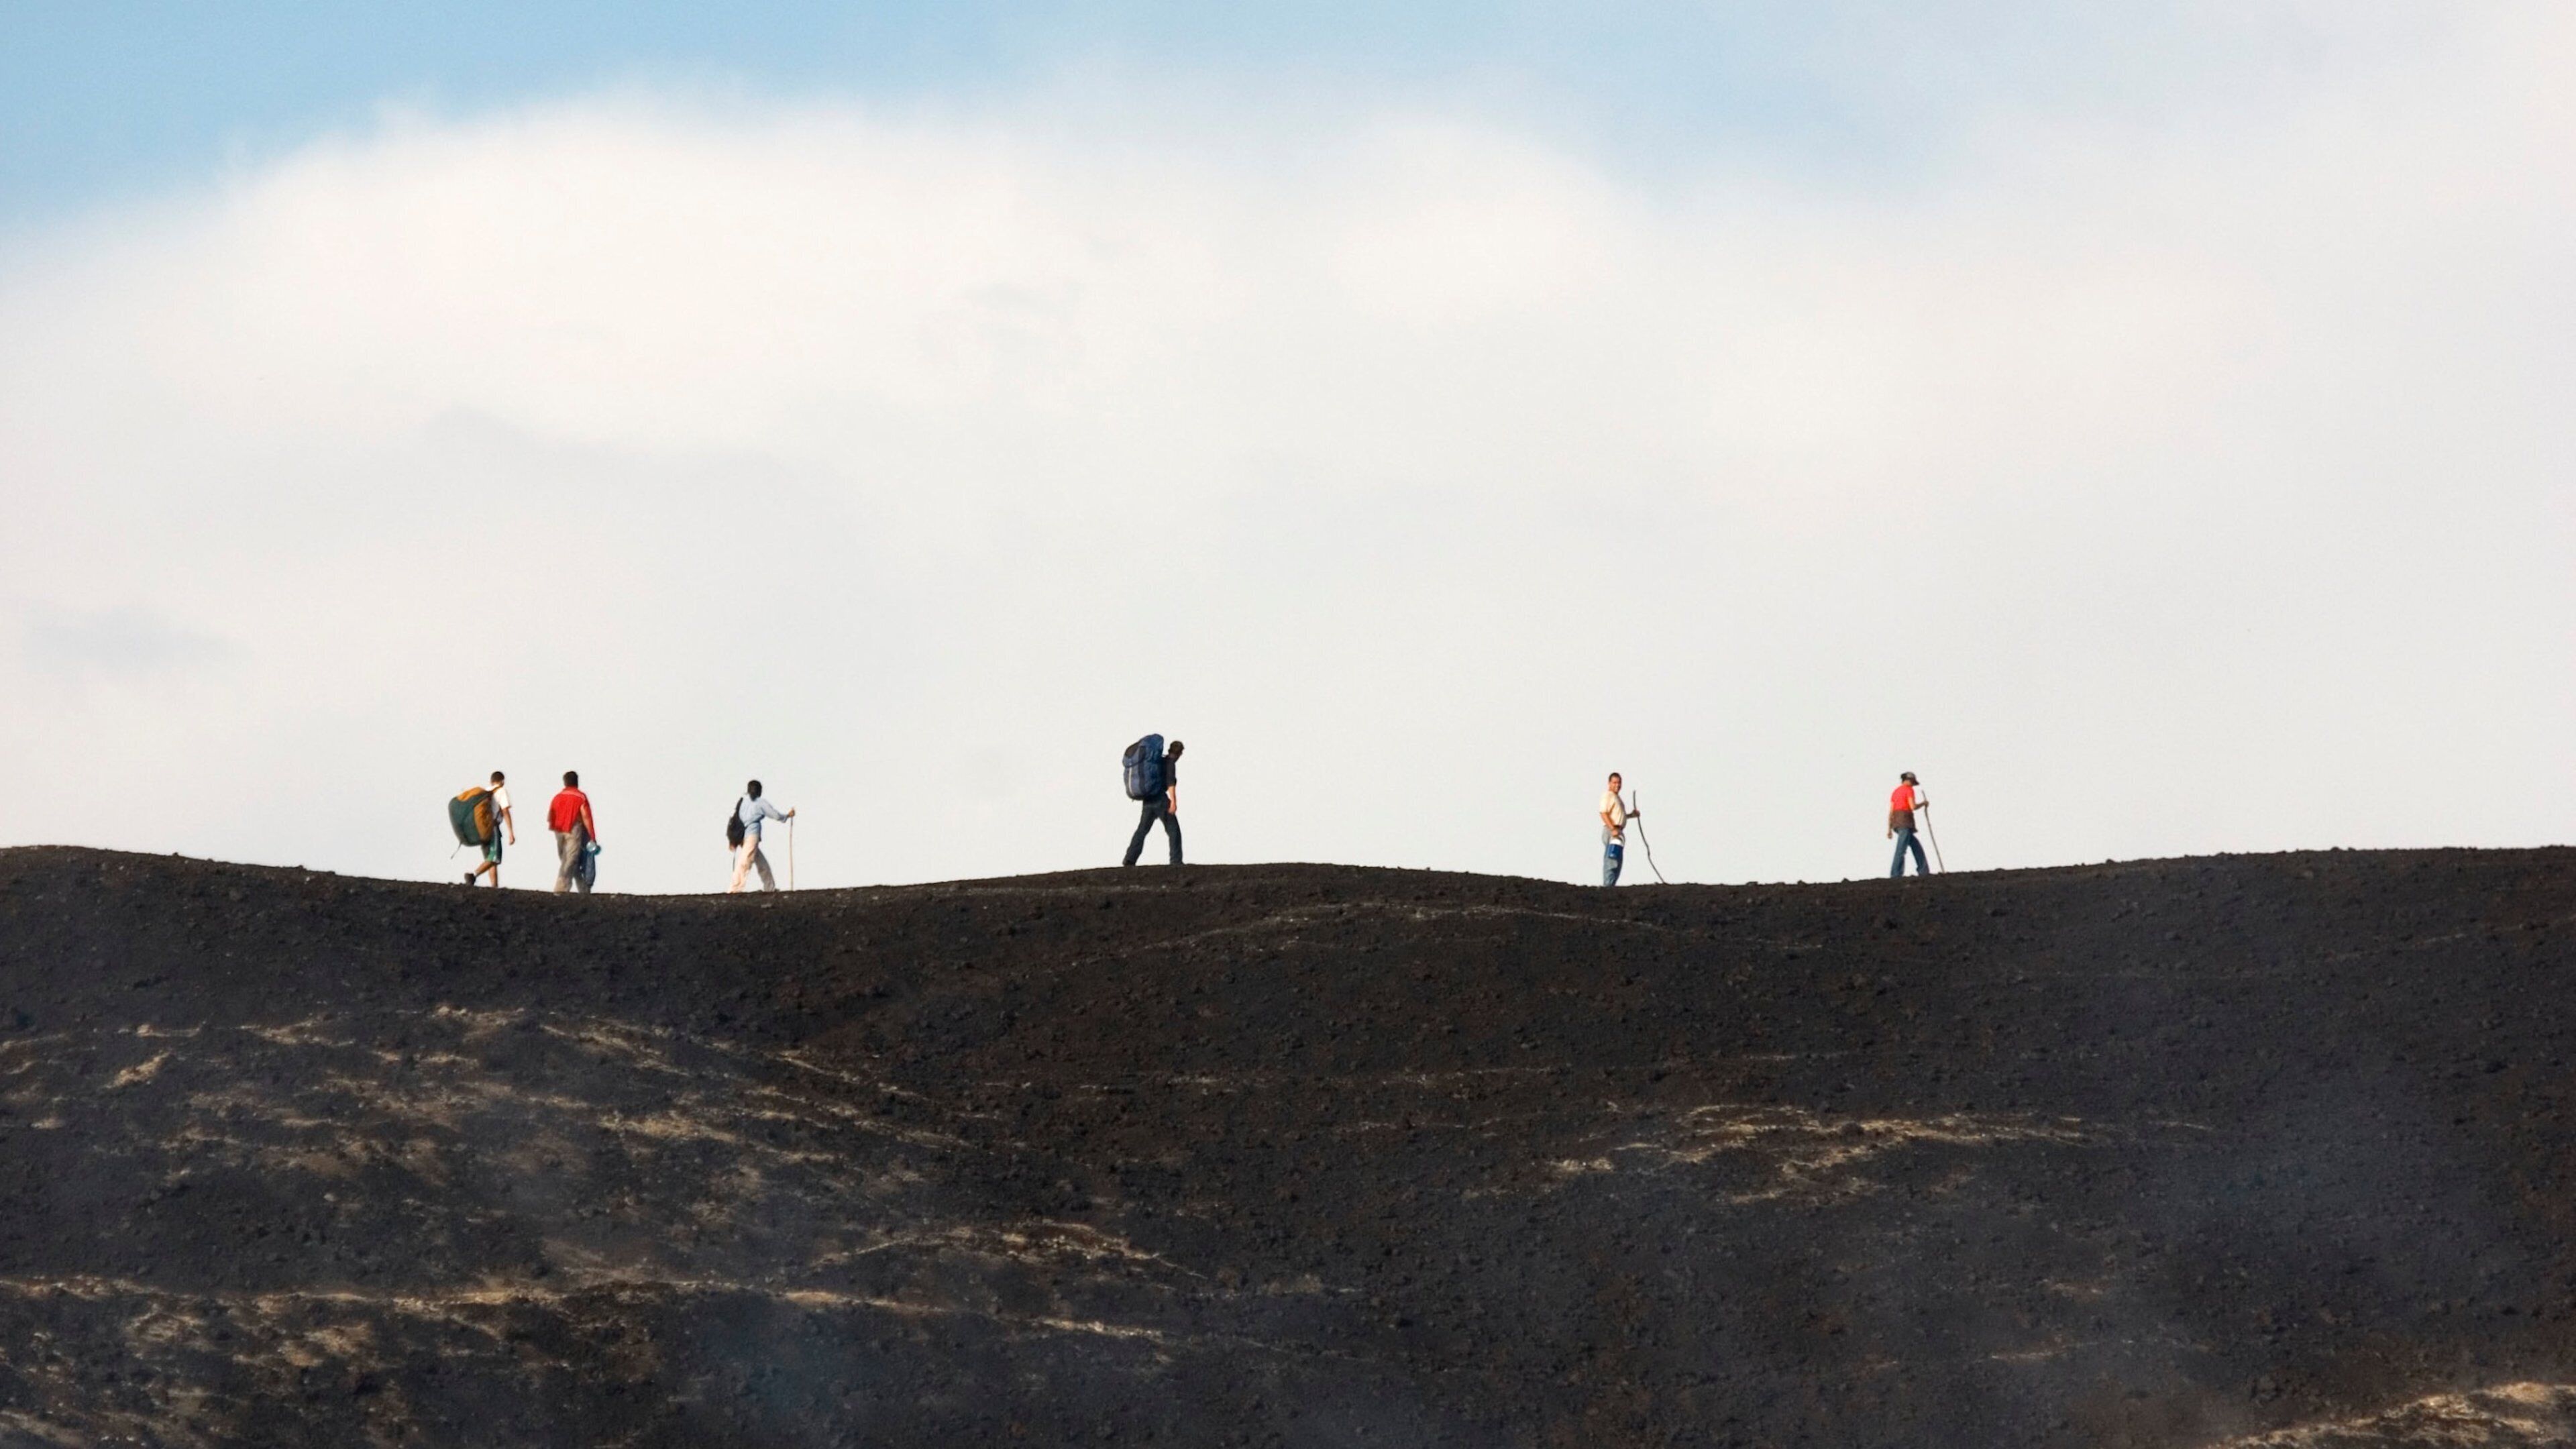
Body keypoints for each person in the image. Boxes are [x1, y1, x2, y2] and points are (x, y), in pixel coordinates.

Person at [1122, 739, 1185, 867]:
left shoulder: (1159, 761)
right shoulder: (1170, 763)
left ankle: (1130, 859)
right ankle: (1176, 861)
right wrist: (1173, 802)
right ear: (1180, 753)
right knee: (1174, 830)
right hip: (1160, 800)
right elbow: (1170, 782)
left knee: (1142, 830)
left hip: (1148, 800)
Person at [729, 780, 796, 893]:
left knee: (762, 863)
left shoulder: (743, 802)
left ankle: (769, 888)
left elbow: (735, 820)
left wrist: (733, 840)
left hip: (743, 837)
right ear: (760, 791)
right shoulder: (761, 803)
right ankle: (734, 890)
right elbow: (775, 815)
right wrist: (787, 816)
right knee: (745, 862)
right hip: (752, 836)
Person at [548, 771, 600, 896]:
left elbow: (551, 815)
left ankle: (583, 889)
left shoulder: (557, 797)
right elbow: (586, 817)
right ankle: (561, 888)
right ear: (577, 782)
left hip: (558, 830)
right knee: (571, 859)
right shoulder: (580, 797)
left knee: (567, 859)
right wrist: (592, 836)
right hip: (573, 829)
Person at [464, 771, 515, 887]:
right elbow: (505, 811)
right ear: (502, 781)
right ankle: (473, 875)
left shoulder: (485, 792)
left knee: (490, 859)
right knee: (495, 858)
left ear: (491, 781)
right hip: (493, 828)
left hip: (482, 829)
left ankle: (494, 887)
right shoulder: (501, 791)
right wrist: (511, 832)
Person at [1888, 771, 1931, 877]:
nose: (1912, 784)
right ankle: (1896, 874)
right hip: (1905, 822)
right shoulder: (1909, 790)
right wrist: (1924, 803)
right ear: (1907, 781)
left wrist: (1889, 829)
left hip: (1897, 822)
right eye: (1912, 782)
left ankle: (1923, 870)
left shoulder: (1895, 792)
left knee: (1916, 846)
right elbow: (1913, 807)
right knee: (1901, 849)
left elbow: (1891, 812)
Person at [1599, 772, 1635, 886]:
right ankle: (1608, 885)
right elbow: (1603, 813)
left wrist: (1631, 815)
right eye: (1615, 782)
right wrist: (1612, 829)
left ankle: (1611, 884)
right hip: (1612, 830)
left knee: (1617, 861)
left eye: (1619, 783)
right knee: (1612, 859)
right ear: (1609, 783)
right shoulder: (1608, 796)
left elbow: (1619, 816)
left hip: (1618, 830)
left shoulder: (1617, 798)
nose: (1617, 785)